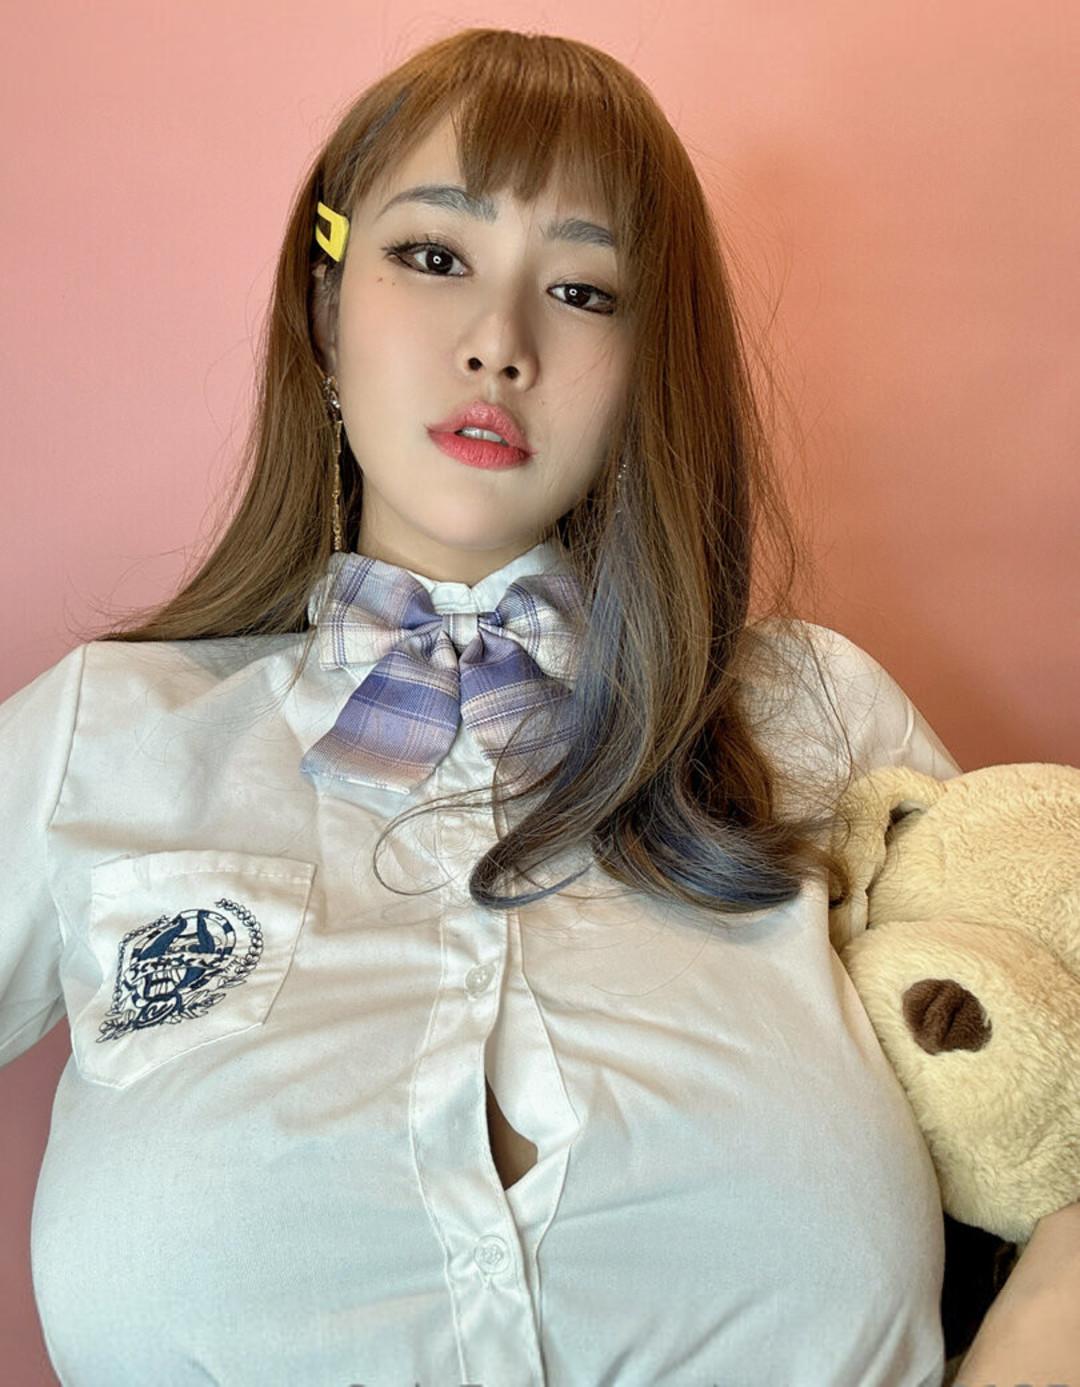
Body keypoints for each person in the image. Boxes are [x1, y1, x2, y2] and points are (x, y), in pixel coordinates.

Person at [1, 27, 969, 1387]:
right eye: (434, 256)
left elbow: (1044, 1081)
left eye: (583, 289)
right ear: (325, 311)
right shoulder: (103, 737)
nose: (499, 346)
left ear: (649, 368)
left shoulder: (817, 717)